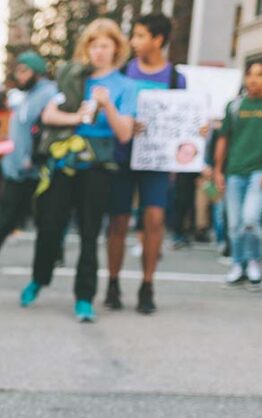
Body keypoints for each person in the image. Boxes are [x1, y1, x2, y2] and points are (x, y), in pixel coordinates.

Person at [22, 18, 136, 323]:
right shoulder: (75, 76)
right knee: (49, 224)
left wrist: (106, 105)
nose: (99, 51)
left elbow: (125, 133)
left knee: (89, 232)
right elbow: (49, 114)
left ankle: (84, 298)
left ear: (116, 48)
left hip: (98, 165)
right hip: (64, 160)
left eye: (105, 45)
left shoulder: (124, 85)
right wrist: (77, 117)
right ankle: (38, 279)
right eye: (94, 45)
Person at [104, 13, 185, 314]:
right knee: (118, 222)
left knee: (153, 221)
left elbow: (183, 120)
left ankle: (147, 284)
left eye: (139, 35)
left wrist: (197, 130)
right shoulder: (124, 72)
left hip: (157, 162)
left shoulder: (176, 78)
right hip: (124, 158)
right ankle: (113, 282)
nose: (134, 42)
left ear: (157, 39)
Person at [0, 51, 56, 265]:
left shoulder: (48, 93)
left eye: (24, 70)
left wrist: (32, 157)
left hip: (32, 166)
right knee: (12, 211)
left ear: (37, 72)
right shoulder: (27, 94)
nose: (19, 75)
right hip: (16, 165)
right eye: (18, 70)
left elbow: (42, 130)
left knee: (21, 212)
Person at [214, 60, 262, 290]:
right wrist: (217, 171)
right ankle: (238, 264)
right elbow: (223, 139)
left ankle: (253, 261)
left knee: (251, 218)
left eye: (259, 74)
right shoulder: (234, 106)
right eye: (250, 74)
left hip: (261, 170)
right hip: (234, 172)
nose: (253, 79)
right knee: (234, 224)